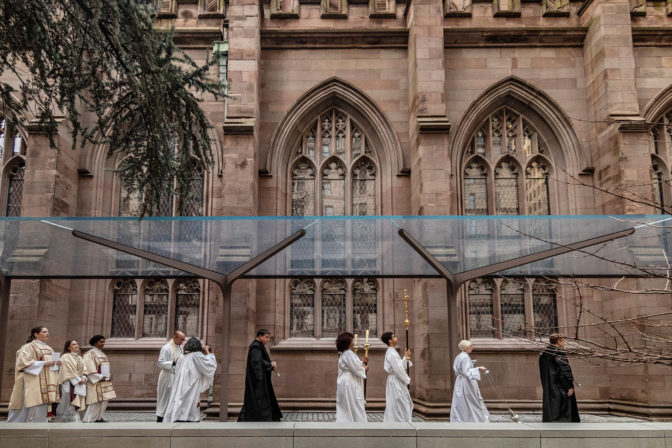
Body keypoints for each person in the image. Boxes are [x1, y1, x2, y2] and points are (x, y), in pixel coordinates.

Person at [7, 326, 61, 422]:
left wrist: (57, 364)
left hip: (47, 382)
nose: (47, 334)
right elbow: (22, 363)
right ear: (36, 334)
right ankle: (19, 426)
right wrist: (44, 363)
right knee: (28, 403)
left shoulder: (49, 349)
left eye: (48, 332)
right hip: (32, 381)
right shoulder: (28, 347)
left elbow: (53, 367)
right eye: (44, 332)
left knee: (42, 406)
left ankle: (40, 426)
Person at [163, 337, 217, 422]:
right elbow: (210, 364)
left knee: (180, 399)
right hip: (193, 381)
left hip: (181, 382)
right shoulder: (197, 355)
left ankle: (179, 417)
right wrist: (207, 351)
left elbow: (176, 369)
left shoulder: (182, 356)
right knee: (191, 399)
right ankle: (189, 417)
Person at [238, 329, 282, 421]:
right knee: (258, 400)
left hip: (259, 379)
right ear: (260, 336)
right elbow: (256, 362)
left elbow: (260, 360)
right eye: (266, 337)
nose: (268, 339)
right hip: (258, 381)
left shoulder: (258, 346)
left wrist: (269, 364)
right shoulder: (255, 347)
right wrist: (269, 364)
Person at [539, 333, 580, 422]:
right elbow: (563, 372)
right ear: (559, 341)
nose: (564, 343)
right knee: (564, 413)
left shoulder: (544, 355)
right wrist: (569, 386)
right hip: (560, 388)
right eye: (563, 341)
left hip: (549, 388)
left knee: (552, 411)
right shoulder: (559, 353)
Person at [450, 339, 489, 422]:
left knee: (462, 400)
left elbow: (459, 368)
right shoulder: (465, 357)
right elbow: (467, 372)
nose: (472, 348)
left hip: (460, 381)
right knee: (472, 400)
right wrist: (479, 368)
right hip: (466, 382)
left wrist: (470, 363)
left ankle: (461, 417)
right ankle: (477, 419)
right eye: (470, 346)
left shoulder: (460, 356)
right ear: (466, 347)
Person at [82, 335, 116, 423]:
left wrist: (109, 375)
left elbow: (105, 367)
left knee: (104, 400)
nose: (103, 344)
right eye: (101, 342)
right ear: (95, 342)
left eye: (104, 342)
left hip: (104, 381)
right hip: (96, 382)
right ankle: (89, 419)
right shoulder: (89, 354)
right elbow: (89, 368)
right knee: (95, 401)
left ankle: (99, 418)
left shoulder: (102, 354)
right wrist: (99, 377)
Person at [335, 332, 368, 423]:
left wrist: (362, 362)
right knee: (354, 402)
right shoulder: (348, 353)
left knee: (346, 403)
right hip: (349, 382)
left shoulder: (343, 354)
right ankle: (357, 422)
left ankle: (347, 421)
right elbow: (355, 367)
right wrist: (364, 368)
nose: (353, 342)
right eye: (352, 340)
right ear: (347, 342)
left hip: (344, 380)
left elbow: (351, 365)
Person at [381, 331, 413, 422]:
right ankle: (398, 423)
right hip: (396, 381)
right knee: (398, 402)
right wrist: (407, 379)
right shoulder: (392, 353)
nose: (396, 338)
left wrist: (406, 357)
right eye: (394, 337)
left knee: (398, 403)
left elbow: (398, 366)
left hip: (396, 380)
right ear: (390, 340)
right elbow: (398, 370)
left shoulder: (392, 352)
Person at [54, 340, 88, 422]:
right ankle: (67, 421)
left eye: (77, 344)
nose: (76, 345)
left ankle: (75, 420)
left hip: (79, 384)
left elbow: (85, 369)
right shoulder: (65, 357)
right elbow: (67, 371)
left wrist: (84, 377)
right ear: (68, 347)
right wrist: (78, 380)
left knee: (77, 404)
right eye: (73, 344)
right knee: (69, 403)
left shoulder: (79, 357)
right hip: (70, 384)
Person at [156, 331, 186, 422]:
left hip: (176, 376)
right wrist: (173, 362)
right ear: (175, 337)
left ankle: (171, 417)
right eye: (181, 339)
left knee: (174, 397)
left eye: (183, 340)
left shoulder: (180, 347)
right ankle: (160, 417)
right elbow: (160, 363)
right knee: (165, 397)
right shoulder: (166, 348)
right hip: (167, 377)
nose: (182, 341)